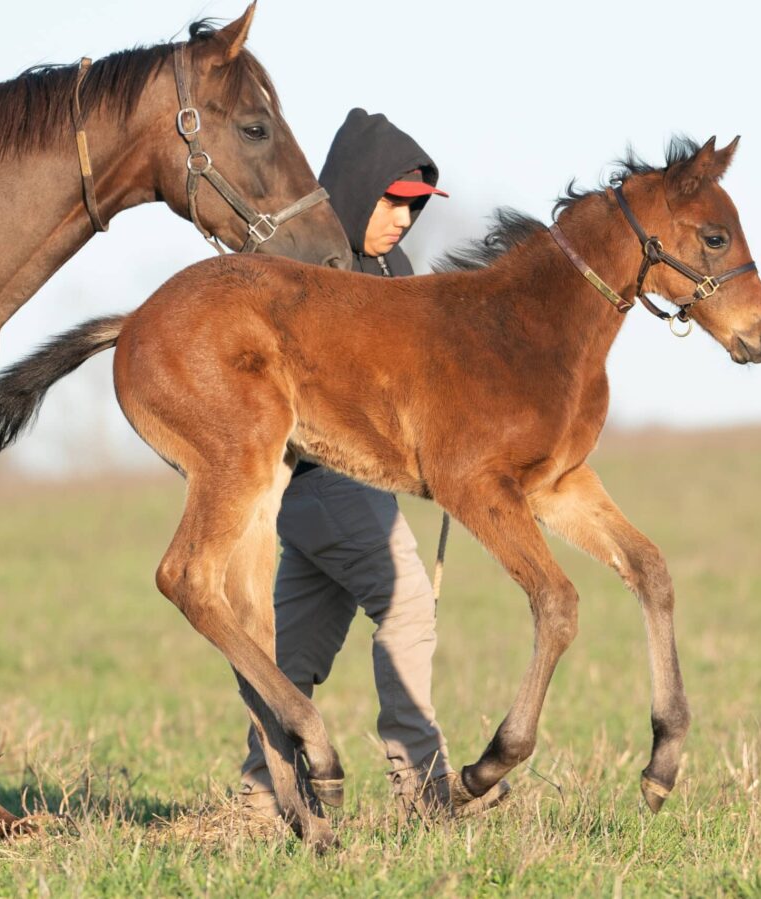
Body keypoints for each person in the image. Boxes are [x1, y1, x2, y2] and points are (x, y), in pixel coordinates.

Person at [240, 108, 508, 819]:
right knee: (408, 606)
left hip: (365, 484)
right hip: (318, 477)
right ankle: (422, 784)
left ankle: (260, 793)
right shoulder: (303, 267)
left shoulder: (393, 269)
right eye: (394, 202)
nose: (403, 220)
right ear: (357, 189)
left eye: (416, 208)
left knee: (296, 647)